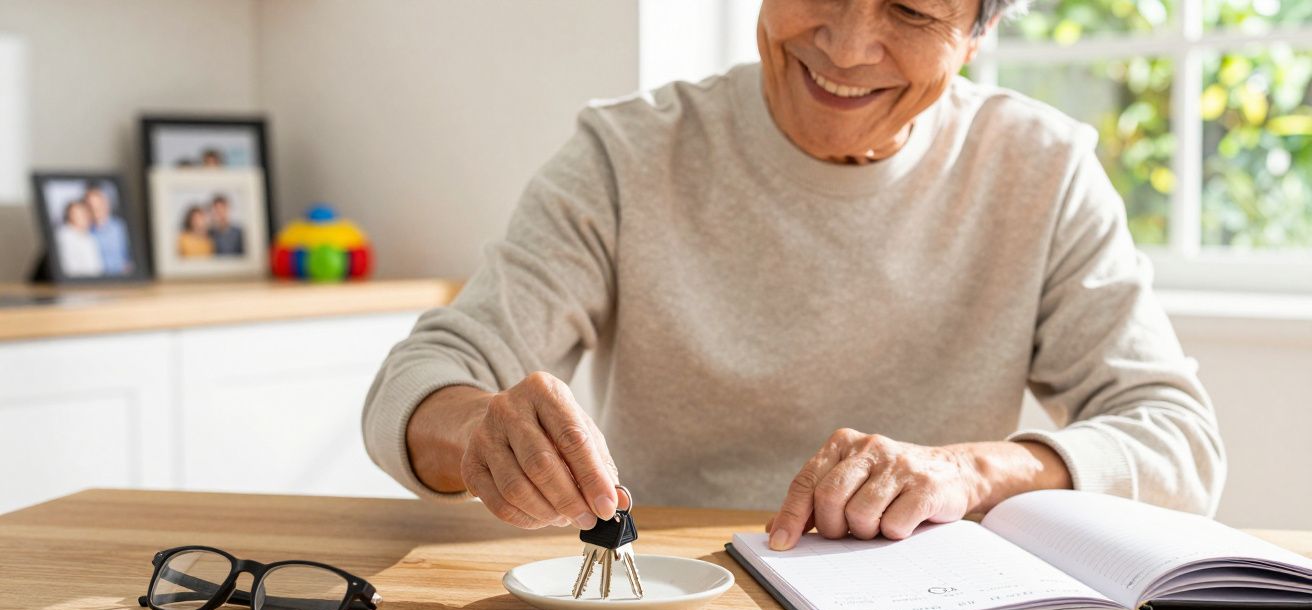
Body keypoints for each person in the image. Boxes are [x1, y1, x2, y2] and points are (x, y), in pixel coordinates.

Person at [363, 0, 1225, 549]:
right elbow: (418, 384)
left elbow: (1179, 442)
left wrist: (970, 471)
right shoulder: (629, 153)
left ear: (980, 30)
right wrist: (481, 436)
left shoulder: (1042, 169)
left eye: (912, 11)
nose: (848, 47)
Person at [85, 184, 132, 275]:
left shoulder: (120, 228)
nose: (95, 211)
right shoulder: (86, 232)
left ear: (105, 204)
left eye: (97, 206)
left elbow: (131, 261)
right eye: (91, 207)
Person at [54, 200, 103, 277]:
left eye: (85, 213)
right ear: (70, 216)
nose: (85, 217)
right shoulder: (64, 237)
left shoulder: (89, 237)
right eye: (79, 214)